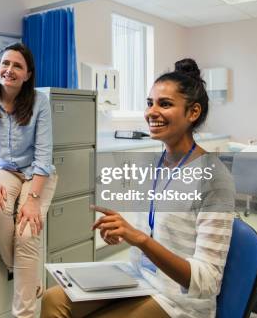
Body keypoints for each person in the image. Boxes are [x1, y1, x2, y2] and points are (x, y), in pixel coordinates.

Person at [41, 58, 235, 318]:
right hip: (141, 280)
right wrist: (121, 232)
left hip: (178, 301)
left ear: (193, 112)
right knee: (53, 299)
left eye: (164, 104)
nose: (151, 112)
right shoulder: (154, 165)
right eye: (150, 103)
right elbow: (149, 233)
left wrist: (140, 240)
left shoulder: (215, 180)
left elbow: (207, 281)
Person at [0, 42, 57, 318]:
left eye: (17, 65)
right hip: (2, 170)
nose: (9, 69)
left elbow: (43, 154)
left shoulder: (40, 102)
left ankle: (24, 314)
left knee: (28, 231)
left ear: (28, 74)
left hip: (36, 173)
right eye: (5, 63)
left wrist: (32, 200)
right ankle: (28, 277)